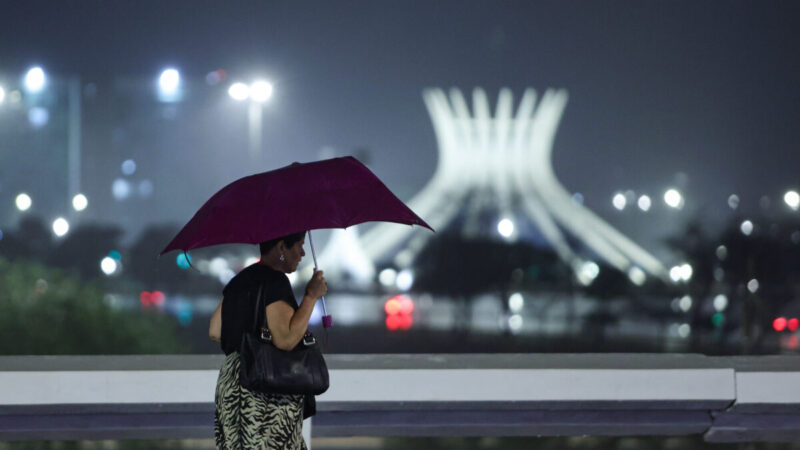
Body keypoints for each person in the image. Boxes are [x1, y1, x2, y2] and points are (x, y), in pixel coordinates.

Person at [208, 231, 327, 450]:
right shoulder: (275, 281)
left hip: (233, 382)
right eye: (299, 245)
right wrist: (311, 297)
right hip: (264, 390)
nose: (302, 253)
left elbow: (215, 330)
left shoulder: (240, 279)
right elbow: (286, 340)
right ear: (282, 247)